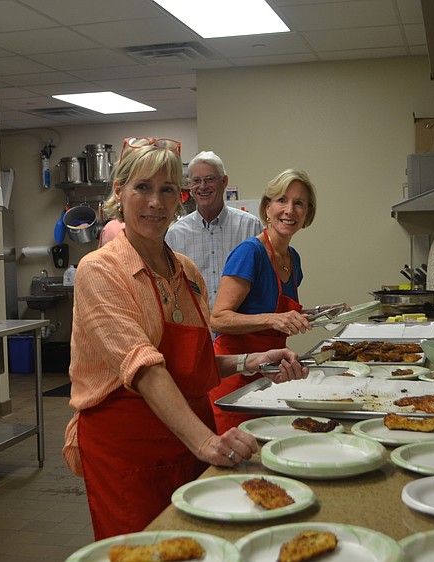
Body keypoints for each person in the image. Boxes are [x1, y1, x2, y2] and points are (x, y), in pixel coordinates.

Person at [62, 138, 308, 540]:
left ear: (181, 199)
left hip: (186, 434)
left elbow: (192, 366)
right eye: (142, 187)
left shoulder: (187, 273)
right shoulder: (101, 271)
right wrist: (207, 442)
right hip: (129, 445)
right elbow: (144, 368)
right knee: (144, 548)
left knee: (197, 543)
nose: (155, 202)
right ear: (119, 192)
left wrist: (255, 361)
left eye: (167, 190)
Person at [208, 169, 318, 434]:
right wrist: (274, 319)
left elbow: (273, 310)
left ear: (307, 214)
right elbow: (218, 318)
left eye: (299, 203)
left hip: (268, 373)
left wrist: (321, 314)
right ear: (267, 208)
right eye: (282, 200)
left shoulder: (293, 258)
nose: (289, 210)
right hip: (233, 377)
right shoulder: (250, 253)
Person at [165, 150, 263, 303]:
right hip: (197, 323)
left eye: (209, 179)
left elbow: (262, 281)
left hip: (242, 324)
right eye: (196, 181)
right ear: (190, 186)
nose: (203, 186)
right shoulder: (175, 235)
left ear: (224, 182)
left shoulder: (250, 227)